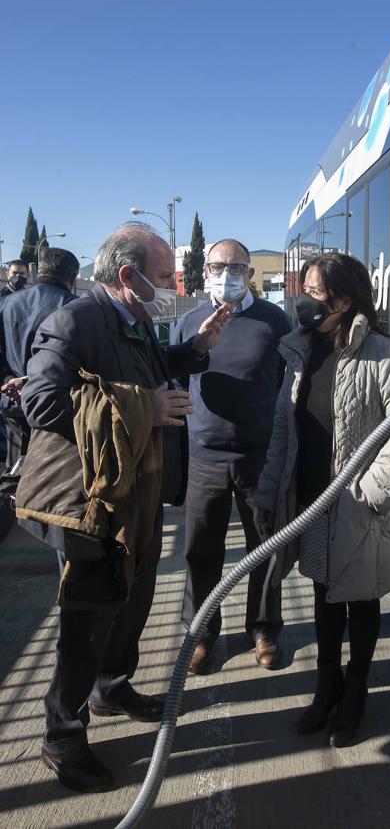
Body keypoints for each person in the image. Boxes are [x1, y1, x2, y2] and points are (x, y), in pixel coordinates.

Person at [18, 224, 228, 793]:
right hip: (90, 504)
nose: (171, 286)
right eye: (163, 278)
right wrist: (145, 407)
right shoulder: (75, 322)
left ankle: (111, 686)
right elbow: (42, 403)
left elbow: (148, 373)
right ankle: (62, 738)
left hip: (137, 495)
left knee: (133, 598)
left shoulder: (134, 321)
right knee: (87, 617)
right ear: (128, 277)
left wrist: (194, 351)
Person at [255, 253, 390, 747]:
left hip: (358, 507)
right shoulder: (300, 350)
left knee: (361, 599)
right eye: (303, 286)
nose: (302, 297)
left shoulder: (383, 353)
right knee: (324, 594)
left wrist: (369, 497)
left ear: (344, 301)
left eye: (314, 290)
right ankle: (325, 685)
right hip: (310, 501)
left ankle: (355, 691)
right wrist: (270, 493)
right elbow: (283, 432)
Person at [172, 238, 291, 673]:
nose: (228, 273)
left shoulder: (273, 320)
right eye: (219, 266)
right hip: (204, 456)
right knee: (201, 550)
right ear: (204, 272)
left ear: (251, 274)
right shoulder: (187, 324)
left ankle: (263, 629)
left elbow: (287, 384)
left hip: (258, 456)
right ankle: (202, 633)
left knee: (264, 547)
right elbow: (177, 383)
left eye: (237, 266)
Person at [0, 248, 79, 468]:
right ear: (72, 278)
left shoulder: (6, 304)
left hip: (14, 403)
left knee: (15, 470)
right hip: (54, 408)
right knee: (49, 474)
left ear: (37, 273)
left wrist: (9, 382)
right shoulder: (75, 308)